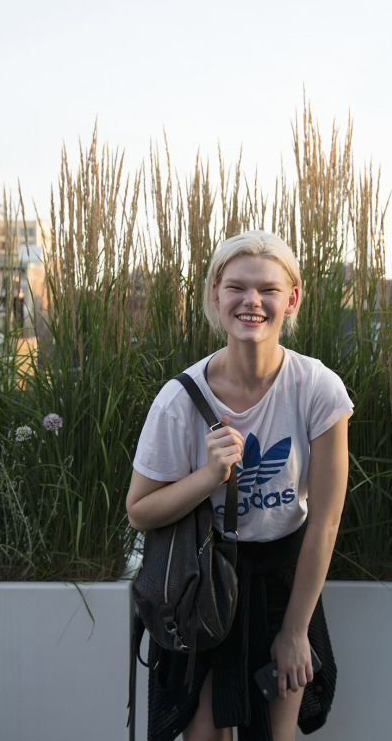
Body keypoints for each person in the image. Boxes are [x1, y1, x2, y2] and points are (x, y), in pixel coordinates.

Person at [126, 230, 354, 741]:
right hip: (202, 580)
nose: (252, 301)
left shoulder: (318, 388)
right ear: (215, 295)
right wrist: (209, 477)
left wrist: (296, 630)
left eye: (268, 289)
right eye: (237, 287)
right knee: (205, 736)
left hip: (285, 580)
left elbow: (326, 519)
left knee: (276, 736)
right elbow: (139, 510)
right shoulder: (179, 400)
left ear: (291, 299)